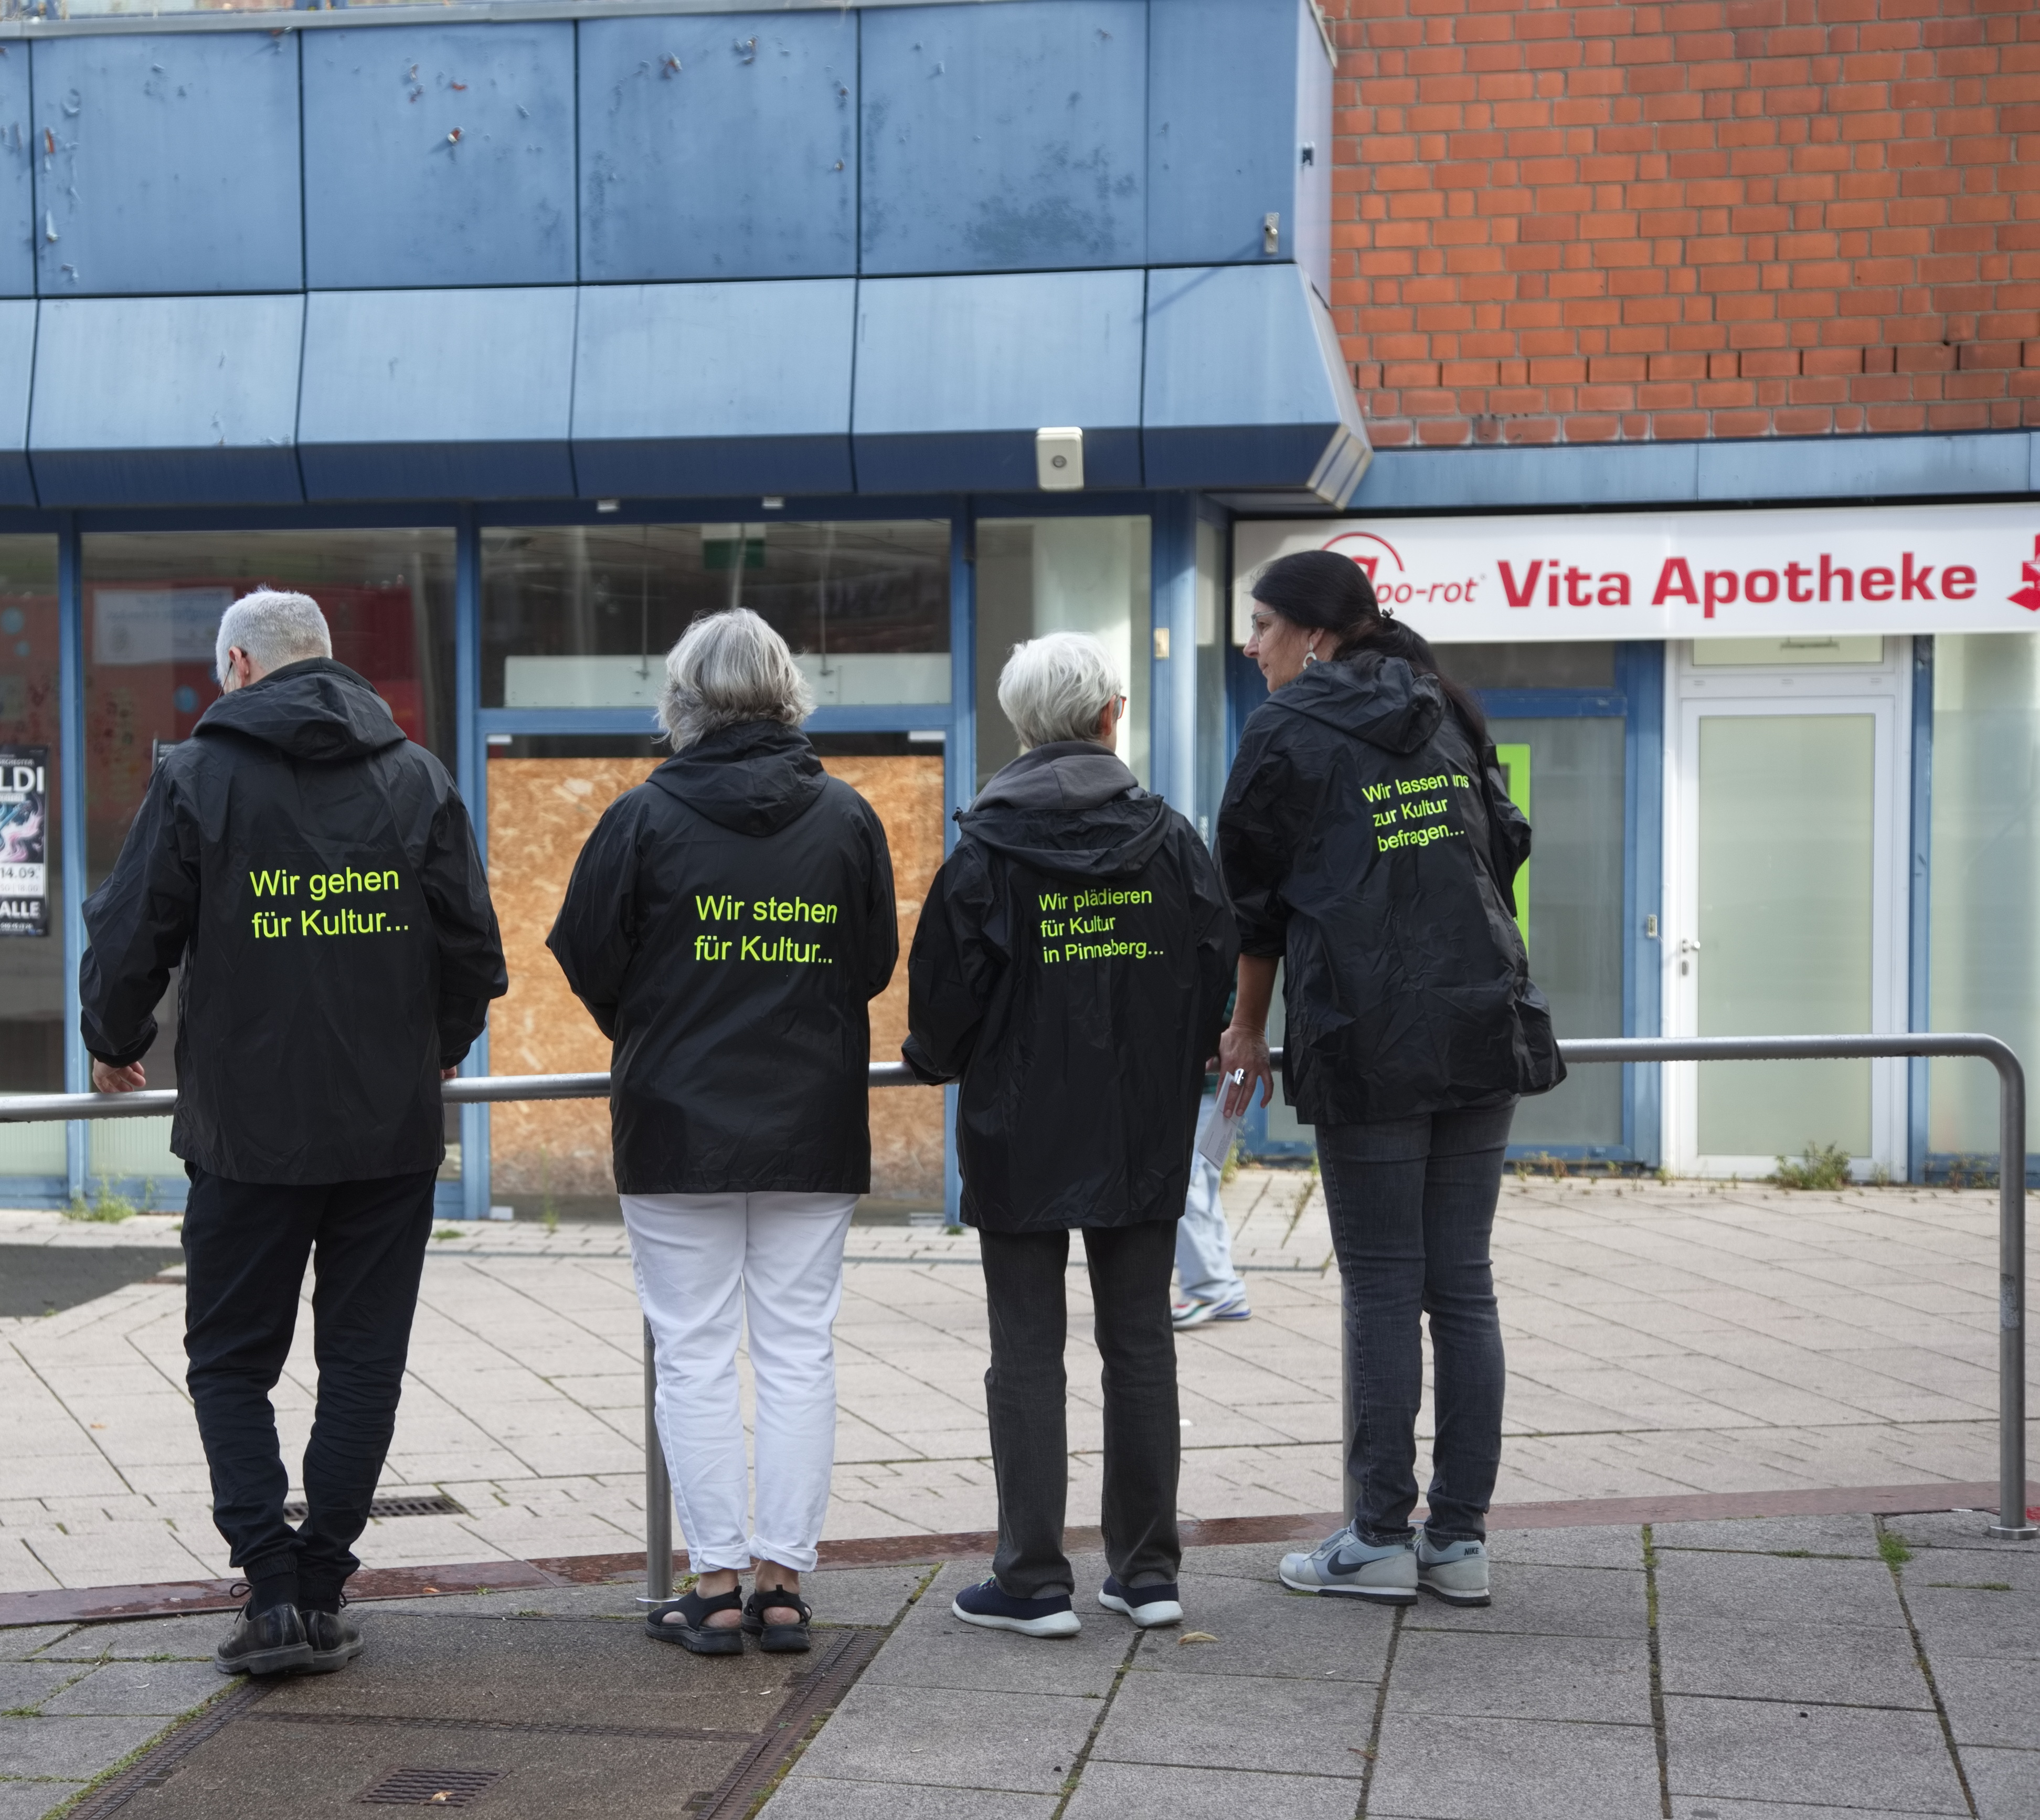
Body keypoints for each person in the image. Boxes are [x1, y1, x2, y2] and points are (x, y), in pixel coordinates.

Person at [80, 589, 506, 1677]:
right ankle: (323, 1584)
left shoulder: (196, 776)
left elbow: (133, 932)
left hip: (246, 1133)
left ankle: (270, 1592)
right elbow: (472, 944)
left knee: (231, 1360)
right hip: (387, 1130)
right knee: (363, 1360)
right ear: (326, 659)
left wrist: (114, 1040)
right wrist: (440, 1044)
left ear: (237, 665)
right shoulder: (415, 776)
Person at [547, 609, 898, 1657]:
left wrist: (652, 1027)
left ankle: (713, 1585)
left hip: (674, 1122)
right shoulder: (846, 816)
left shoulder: (641, 817)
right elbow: (871, 963)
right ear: (788, 693)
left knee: (693, 1354)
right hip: (812, 1116)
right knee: (798, 1350)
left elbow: (585, 953)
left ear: (681, 700)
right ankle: (782, 1585)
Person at [1215, 548, 1560, 1607]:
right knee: (1461, 1285)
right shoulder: (1445, 707)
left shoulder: (1286, 727)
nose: (1250, 644)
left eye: (1263, 625)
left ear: (1316, 633)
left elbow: (1251, 901)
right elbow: (1503, 848)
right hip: (1479, 1017)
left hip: (1367, 1032)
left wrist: (1246, 1025)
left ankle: (1376, 1538)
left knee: (1380, 1285)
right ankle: (1457, 1541)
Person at [903, 633, 1234, 1636]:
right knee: (1139, 1345)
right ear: (1107, 715)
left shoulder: (984, 852)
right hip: (1139, 1125)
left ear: (1021, 724)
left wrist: (934, 1058)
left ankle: (1032, 1579)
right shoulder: (1171, 840)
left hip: (1019, 1128)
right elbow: (1212, 968)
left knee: (1025, 1353)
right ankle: (1147, 1572)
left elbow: (942, 1007)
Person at [1171, 1076, 1250, 1330]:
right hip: (1221, 1087)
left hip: (1204, 1087)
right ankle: (1227, 1292)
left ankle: (1209, 1290)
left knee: (1181, 1185)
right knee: (1200, 1183)